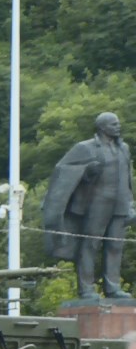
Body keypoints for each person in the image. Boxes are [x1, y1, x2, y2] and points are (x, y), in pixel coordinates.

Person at [42, 111, 135, 300]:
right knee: (90, 244)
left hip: (119, 204)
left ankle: (113, 287)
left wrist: (130, 204)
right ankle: (86, 289)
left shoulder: (123, 148)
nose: (118, 127)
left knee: (115, 246)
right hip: (96, 204)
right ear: (102, 127)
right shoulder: (85, 148)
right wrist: (85, 172)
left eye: (118, 124)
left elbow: (128, 178)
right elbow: (63, 170)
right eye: (113, 124)